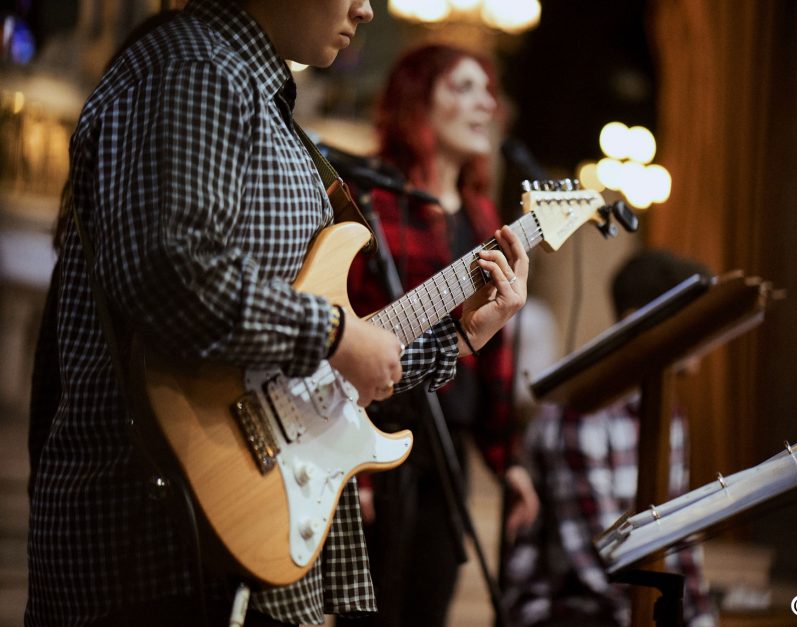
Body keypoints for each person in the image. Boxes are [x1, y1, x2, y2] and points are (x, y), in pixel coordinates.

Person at [25, 2, 529, 626]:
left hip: (232, 532)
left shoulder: (252, 92)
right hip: (153, 539)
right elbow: (172, 273)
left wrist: (456, 335)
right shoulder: (196, 69)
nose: (366, 9)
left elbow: (300, 367)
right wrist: (338, 334)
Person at [338, 43, 540, 627]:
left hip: (448, 443)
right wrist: (352, 465)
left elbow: (494, 349)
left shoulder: (483, 219)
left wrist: (510, 462)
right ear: (415, 101)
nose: (485, 105)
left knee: (431, 604)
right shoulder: (370, 199)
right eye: (462, 87)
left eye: (487, 91)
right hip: (375, 435)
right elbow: (344, 322)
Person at [503, 249, 718, 627]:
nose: (702, 335)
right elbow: (600, 560)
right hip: (564, 608)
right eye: (691, 317)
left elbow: (679, 538)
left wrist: (700, 618)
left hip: (632, 602)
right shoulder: (579, 411)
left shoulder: (670, 412)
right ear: (637, 322)